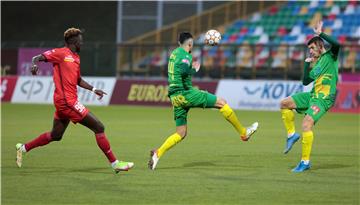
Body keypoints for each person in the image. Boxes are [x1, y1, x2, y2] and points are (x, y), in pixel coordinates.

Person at [15, 28, 134, 173]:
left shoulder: (76, 58)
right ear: (75, 42)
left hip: (66, 102)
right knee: (99, 127)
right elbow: (37, 58)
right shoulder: (60, 53)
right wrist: (34, 65)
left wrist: (93, 89)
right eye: (81, 41)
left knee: (56, 135)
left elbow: (78, 80)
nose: (82, 44)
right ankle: (115, 163)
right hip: (67, 102)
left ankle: (23, 148)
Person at [148, 32, 259, 170]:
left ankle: (158, 153)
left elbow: (177, 70)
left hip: (175, 98)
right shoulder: (185, 55)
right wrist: (193, 69)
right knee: (222, 103)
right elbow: (183, 70)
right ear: (189, 43)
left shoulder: (174, 53)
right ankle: (243, 133)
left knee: (181, 133)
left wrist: (189, 67)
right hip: (186, 93)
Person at [280, 21, 340, 172]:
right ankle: (292, 135)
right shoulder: (317, 63)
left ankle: (305, 162)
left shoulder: (331, 56)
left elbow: (337, 44)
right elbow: (306, 81)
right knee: (284, 103)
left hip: (323, 99)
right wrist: (307, 64)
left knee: (307, 124)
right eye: (309, 49)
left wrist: (320, 34)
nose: (311, 51)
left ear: (320, 46)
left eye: (312, 48)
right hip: (312, 95)